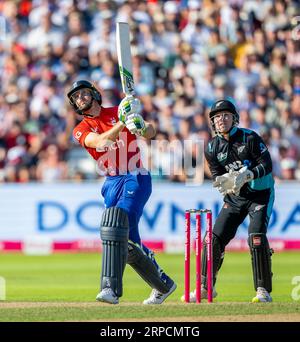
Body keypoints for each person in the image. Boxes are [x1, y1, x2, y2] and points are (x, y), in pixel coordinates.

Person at [67, 80, 176, 305]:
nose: (80, 98)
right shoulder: (81, 129)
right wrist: (122, 123)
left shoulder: (117, 112)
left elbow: (151, 132)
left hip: (135, 175)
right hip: (111, 181)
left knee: (115, 228)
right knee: (128, 241)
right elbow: (101, 142)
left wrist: (139, 125)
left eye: (84, 93)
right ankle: (163, 284)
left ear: (94, 94)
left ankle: (110, 289)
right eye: (76, 97)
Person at [185, 99, 275, 303]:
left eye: (226, 115)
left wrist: (248, 175)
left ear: (234, 118)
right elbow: (217, 175)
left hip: (260, 193)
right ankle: (206, 287)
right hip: (235, 198)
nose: (221, 119)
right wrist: (223, 181)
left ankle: (263, 290)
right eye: (216, 117)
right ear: (212, 122)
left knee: (256, 237)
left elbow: (267, 165)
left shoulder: (249, 137)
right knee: (212, 239)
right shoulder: (212, 148)